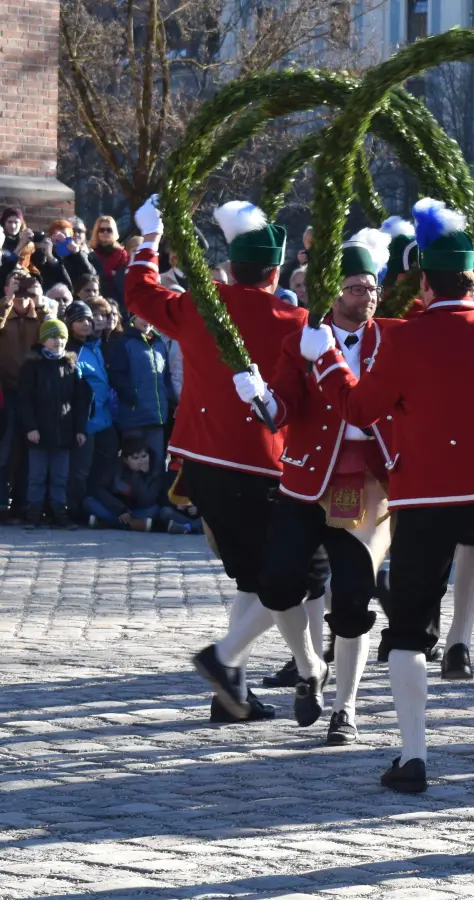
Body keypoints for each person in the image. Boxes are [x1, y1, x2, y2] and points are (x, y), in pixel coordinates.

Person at [300, 198, 474, 792]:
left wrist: (326, 359)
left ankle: (414, 756)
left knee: (406, 631)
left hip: (427, 498)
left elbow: (358, 407)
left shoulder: (403, 339)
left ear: (426, 284)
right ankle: (462, 635)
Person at [127, 195, 309, 725]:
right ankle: (231, 663)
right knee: (281, 582)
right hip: (263, 469)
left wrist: (150, 238)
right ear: (275, 270)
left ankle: (231, 694)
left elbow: (139, 292)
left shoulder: (198, 308)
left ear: (230, 264)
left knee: (252, 581)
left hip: (200, 467)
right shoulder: (294, 320)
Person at [233, 229, 402, 746]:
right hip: (307, 475)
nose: (367, 297)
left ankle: (346, 709)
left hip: (367, 482)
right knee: (278, 582)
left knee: (353, 599)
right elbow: (283, 408)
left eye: (372, 287)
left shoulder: (391, 340)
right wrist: (258, 396)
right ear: (332, 293)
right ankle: (310, 667)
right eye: (355, 288)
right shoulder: (298, 341)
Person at [17, 318, 87, 528]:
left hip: (63, 433)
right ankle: (34, 513)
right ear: (44, 340)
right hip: (39, 432)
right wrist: (31, 427)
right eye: (54, 337)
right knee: (36, 476)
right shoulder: (33, 365)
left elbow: (79, 401)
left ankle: (59, 512)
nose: (59, 342)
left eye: (62, 338)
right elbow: (25, 399)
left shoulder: (70, 365)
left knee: (60, 476)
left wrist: (79, 430)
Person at [63, 300, 119, 524]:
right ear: (70, 324)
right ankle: (73, 511)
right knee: (80, 470)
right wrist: (78, 425)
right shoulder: (70, 350)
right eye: (80, 320)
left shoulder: (95, 346)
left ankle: (92, 507)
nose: (87, 323)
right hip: (85, 421)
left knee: (103, 467)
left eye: (88, 318)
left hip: (104, 419)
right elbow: (74, 392)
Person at [0, 274, 44, 516]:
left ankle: (24, 503)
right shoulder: (3, 310)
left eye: (26, 293)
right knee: (4, 450)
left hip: (33, 393)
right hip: (5, 391)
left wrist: (42, 304)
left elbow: (56, 338)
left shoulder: (39, 317)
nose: (22, 298)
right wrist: (8, 302)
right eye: (17, 290)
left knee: (29, 451)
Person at [106, 312, 173, 467]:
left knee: (156, 463)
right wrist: (133, 398)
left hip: (157, 417)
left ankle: (155, 492)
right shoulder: (125, 343)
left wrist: (167, 399)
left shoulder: (159, 344)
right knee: (134, 464)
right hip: (133, 418)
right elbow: (116, 375)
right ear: (133, 318)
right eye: (143, 316)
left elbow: (166, 376)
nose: (148, 321)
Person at [85, 437, 168, 530]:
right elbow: (99, 489)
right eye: (135, 458)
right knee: (89, 502)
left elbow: (147, 501)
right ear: (126, 459)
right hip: (116, 508)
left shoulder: (155, 470)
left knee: (155, 510)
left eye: (144, 456)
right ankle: (135, 524)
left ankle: (107, 522)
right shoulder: (115, 466)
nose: (141, 461)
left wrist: (140, 475)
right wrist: (120, 509)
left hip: (138, 510)